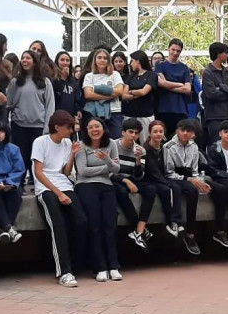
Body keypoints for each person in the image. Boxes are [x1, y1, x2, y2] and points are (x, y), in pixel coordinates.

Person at [31, 110, 87, 287]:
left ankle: (75, 264)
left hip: (64, 184)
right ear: (57, 127)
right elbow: (38, 173)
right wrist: (58, 193)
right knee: (58, 226)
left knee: (82, 221)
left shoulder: (67, 142)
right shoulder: (40, 142)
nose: (71, 130)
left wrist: (72, 154)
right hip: (46, 188)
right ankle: (64, 271)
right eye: (68, 127)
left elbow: (65, 171)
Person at [74, 118, 122, 282]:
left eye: (97, 126)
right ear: (86, 131)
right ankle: (100, 267)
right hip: (85, 187)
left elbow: (116, 168)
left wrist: (107, 161)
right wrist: (106, 167)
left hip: (106, 186)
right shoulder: (81, 146)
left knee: (109, 226)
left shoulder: (112, 144)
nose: (94, 130)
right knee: (95, 227)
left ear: (103, 128)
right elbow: (83, 171)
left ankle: (113, 266)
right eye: (90, 127)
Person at [6, 50, 55, 186]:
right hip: (19, 125)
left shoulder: (45, 82)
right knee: (21, 157)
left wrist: (47, 127)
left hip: (38, 127)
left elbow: (50, 105)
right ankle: (19, 183)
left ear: (35, 62)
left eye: (28, 58)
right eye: (23, 58)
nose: (24, 60)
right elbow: (8, 103)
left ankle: (37, 182)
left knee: (36, 158)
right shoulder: (15, 82)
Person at [111, 118, 157, 250]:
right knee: (120, 191)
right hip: (116, 179)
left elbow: (139, 176)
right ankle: (136, 226)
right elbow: (107, 171)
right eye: (130, 132)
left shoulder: (141, 150)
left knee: (150, 189)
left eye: (136, 133)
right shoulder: (112, 146)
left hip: (134, 179)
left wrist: (138, 160)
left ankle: (139, 231)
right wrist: (125, 180)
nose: (133, 136)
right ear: (123, 132)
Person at [163, 118, 207, 255]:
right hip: (172, 177)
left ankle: (191, 234)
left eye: (189, 131)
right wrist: (188, 178)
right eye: (183, 130)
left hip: (188, 177)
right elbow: (168, 172)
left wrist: (199, 180)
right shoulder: (168, 147)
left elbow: (194, 170)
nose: (185, 134)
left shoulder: (194, 147)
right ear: (177, 131)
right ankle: (175, 223)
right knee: (176, 188)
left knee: (194, 191)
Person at [142, 119, 184, 239]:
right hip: (150, 179)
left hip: (163, 177)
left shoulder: (164, 147)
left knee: (176, 187)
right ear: (150, 133)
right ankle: (169, 221)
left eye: (161, 131)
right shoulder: (145, 149)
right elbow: (153, 172)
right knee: (166, 190)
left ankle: (176, 221)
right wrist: (167, 182)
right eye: (155, 131)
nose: (158, 134)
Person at [81, 46, 125, 139]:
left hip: (114, 111)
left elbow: (120, 91)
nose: (102, 60)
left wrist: (98, 89)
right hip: (96, 114)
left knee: (116, 139)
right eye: (99, 57)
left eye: (105, 58)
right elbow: (88, 94)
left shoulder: (115, 74)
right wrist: (110, 94)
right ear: (95, 60)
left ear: (109, 60)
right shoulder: (89, 76)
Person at [202, 42, 228, 148]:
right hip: (214, 117)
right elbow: (211, 94)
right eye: (226, 53)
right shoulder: (207, 72)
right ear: (218, 54)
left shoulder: (227, 71)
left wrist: (221, 87)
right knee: (216, 146)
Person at [155, 38, 192, 133]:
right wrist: (179, 84)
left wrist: (168, 84)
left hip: (180, 109)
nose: (175, 53)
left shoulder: (184, 68)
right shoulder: (160, 64)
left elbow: (187, 89)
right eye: (173, 50)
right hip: (164, 108)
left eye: (178, 51)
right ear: (168, 49)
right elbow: (160, 83)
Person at [121, 49, 158, 143]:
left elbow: (144, 91)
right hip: (130, 115)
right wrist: (135, 95)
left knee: (145, 142)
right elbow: (124, 95)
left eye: (132, 61)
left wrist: (131, 92)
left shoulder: (151, 75)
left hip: (145, 116)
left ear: (138, 61)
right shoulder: (131, 76)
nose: (131, 64)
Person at [53, 51, 82, 121]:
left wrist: (78, 110)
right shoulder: (52, 78)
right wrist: (62, 78)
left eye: (67, 60)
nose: (65, 63)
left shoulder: (72, 81)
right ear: (57, 61)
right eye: (62, 60)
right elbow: (55, 95)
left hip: (70, 116)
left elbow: (76, 98)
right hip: (56, 116)